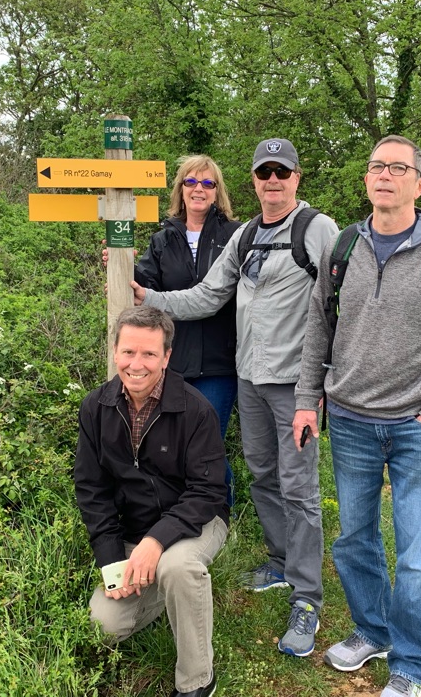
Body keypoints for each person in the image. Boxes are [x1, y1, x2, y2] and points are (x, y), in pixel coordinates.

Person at [131, 138, 339, 657]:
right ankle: (280, 561)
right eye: (264, 172)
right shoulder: (245, 235)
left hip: (295, 384)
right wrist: (150, 298)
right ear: (253, 181)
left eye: (282, 172)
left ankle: (307, 597)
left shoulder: (317, 229)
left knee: (299, 487)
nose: (273, 181)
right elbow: (207, 296)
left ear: (296, 177)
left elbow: (341, 302)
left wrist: (322, 383)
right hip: (249, 378)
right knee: (263, 474)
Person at [292, 135, 421, 697]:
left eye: (398, 168)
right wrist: (306, 399)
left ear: (419, 184)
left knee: (418, 555)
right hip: (349, 421)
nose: (385, 175)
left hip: (418, 426)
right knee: (355, 540)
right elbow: (319, 327)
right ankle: (372, 631)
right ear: (367, 178)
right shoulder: (343, 247)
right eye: (377, 166)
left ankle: (411, 664)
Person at [75, 307, 228, 697]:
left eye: (148, 354)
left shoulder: (196, 410)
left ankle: (197, 680)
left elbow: (208, 492)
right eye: (128, 352)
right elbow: (92, 490)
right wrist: (111, 559)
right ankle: (166, 593)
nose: (136, 364)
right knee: (103, 626)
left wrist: (156, 541)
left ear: (166, 356)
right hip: (132, 530)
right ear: (114, 351)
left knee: (178, 567)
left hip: (197, 522)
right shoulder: (95, 407)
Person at [134, 154, 242, 503]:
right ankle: (187, 511)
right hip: (175, 361)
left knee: (207, 442)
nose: (199, 189)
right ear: (180, 188)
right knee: (175, 443)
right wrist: (119, 265)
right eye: (191, 181)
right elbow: (145, 287)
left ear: (217, 191)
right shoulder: (163, 240)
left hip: (219, 363)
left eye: (208, 183)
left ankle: (221, 512)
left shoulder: (235, 236)